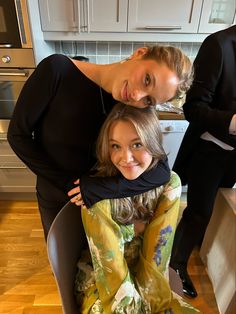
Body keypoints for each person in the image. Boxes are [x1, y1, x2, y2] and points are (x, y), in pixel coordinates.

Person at [7, 45, 193, 239]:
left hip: (101, 204)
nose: (138, 96)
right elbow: (18, 136)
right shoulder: (57, 70)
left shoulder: (132, 108)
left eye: (149, 101)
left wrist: (100, 188)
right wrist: (70, 186)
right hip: (54, 196)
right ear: (140, 53)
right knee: (61, 261)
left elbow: (161, 172)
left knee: (96, 264)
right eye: (147, 79)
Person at [74, 102, 200, 313]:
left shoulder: (169, 186)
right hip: (104, 282)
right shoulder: (95, 197)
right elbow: (110, 271)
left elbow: (157, 258)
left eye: (137, 144)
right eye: (115, 146)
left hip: (148, 277)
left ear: (153, 143)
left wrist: (154, 304)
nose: (126, 158)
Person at [170, 25, 236, 298]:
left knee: (218, 206)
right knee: (198, 212)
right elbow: (193, 108)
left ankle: (194, 247)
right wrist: (232, 123)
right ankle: (174, 266)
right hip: (210, 150)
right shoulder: (218, 46)